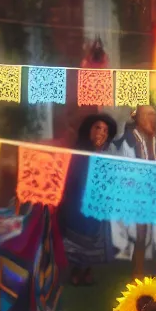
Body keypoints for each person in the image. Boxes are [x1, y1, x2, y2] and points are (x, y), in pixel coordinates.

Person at [63, 113, 118, 286]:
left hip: (98, 202)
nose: (101, 133)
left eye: (105, 130)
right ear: (89, 130)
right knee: (77, 236)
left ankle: (87, 269)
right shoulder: (78, 150)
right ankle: (76, 270)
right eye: (97, 128)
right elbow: (71, 177)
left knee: (93, 238)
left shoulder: (110, 152)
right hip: (76, 201)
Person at [113, 104, 156, 264]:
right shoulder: (130, 140)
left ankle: (150, 271)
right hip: (136, 194)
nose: (152, 119)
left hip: (155, 192)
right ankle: (137, 273)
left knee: (155, 234)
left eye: (154, 115)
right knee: (140, 234)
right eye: (147, 115)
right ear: (137, 118)